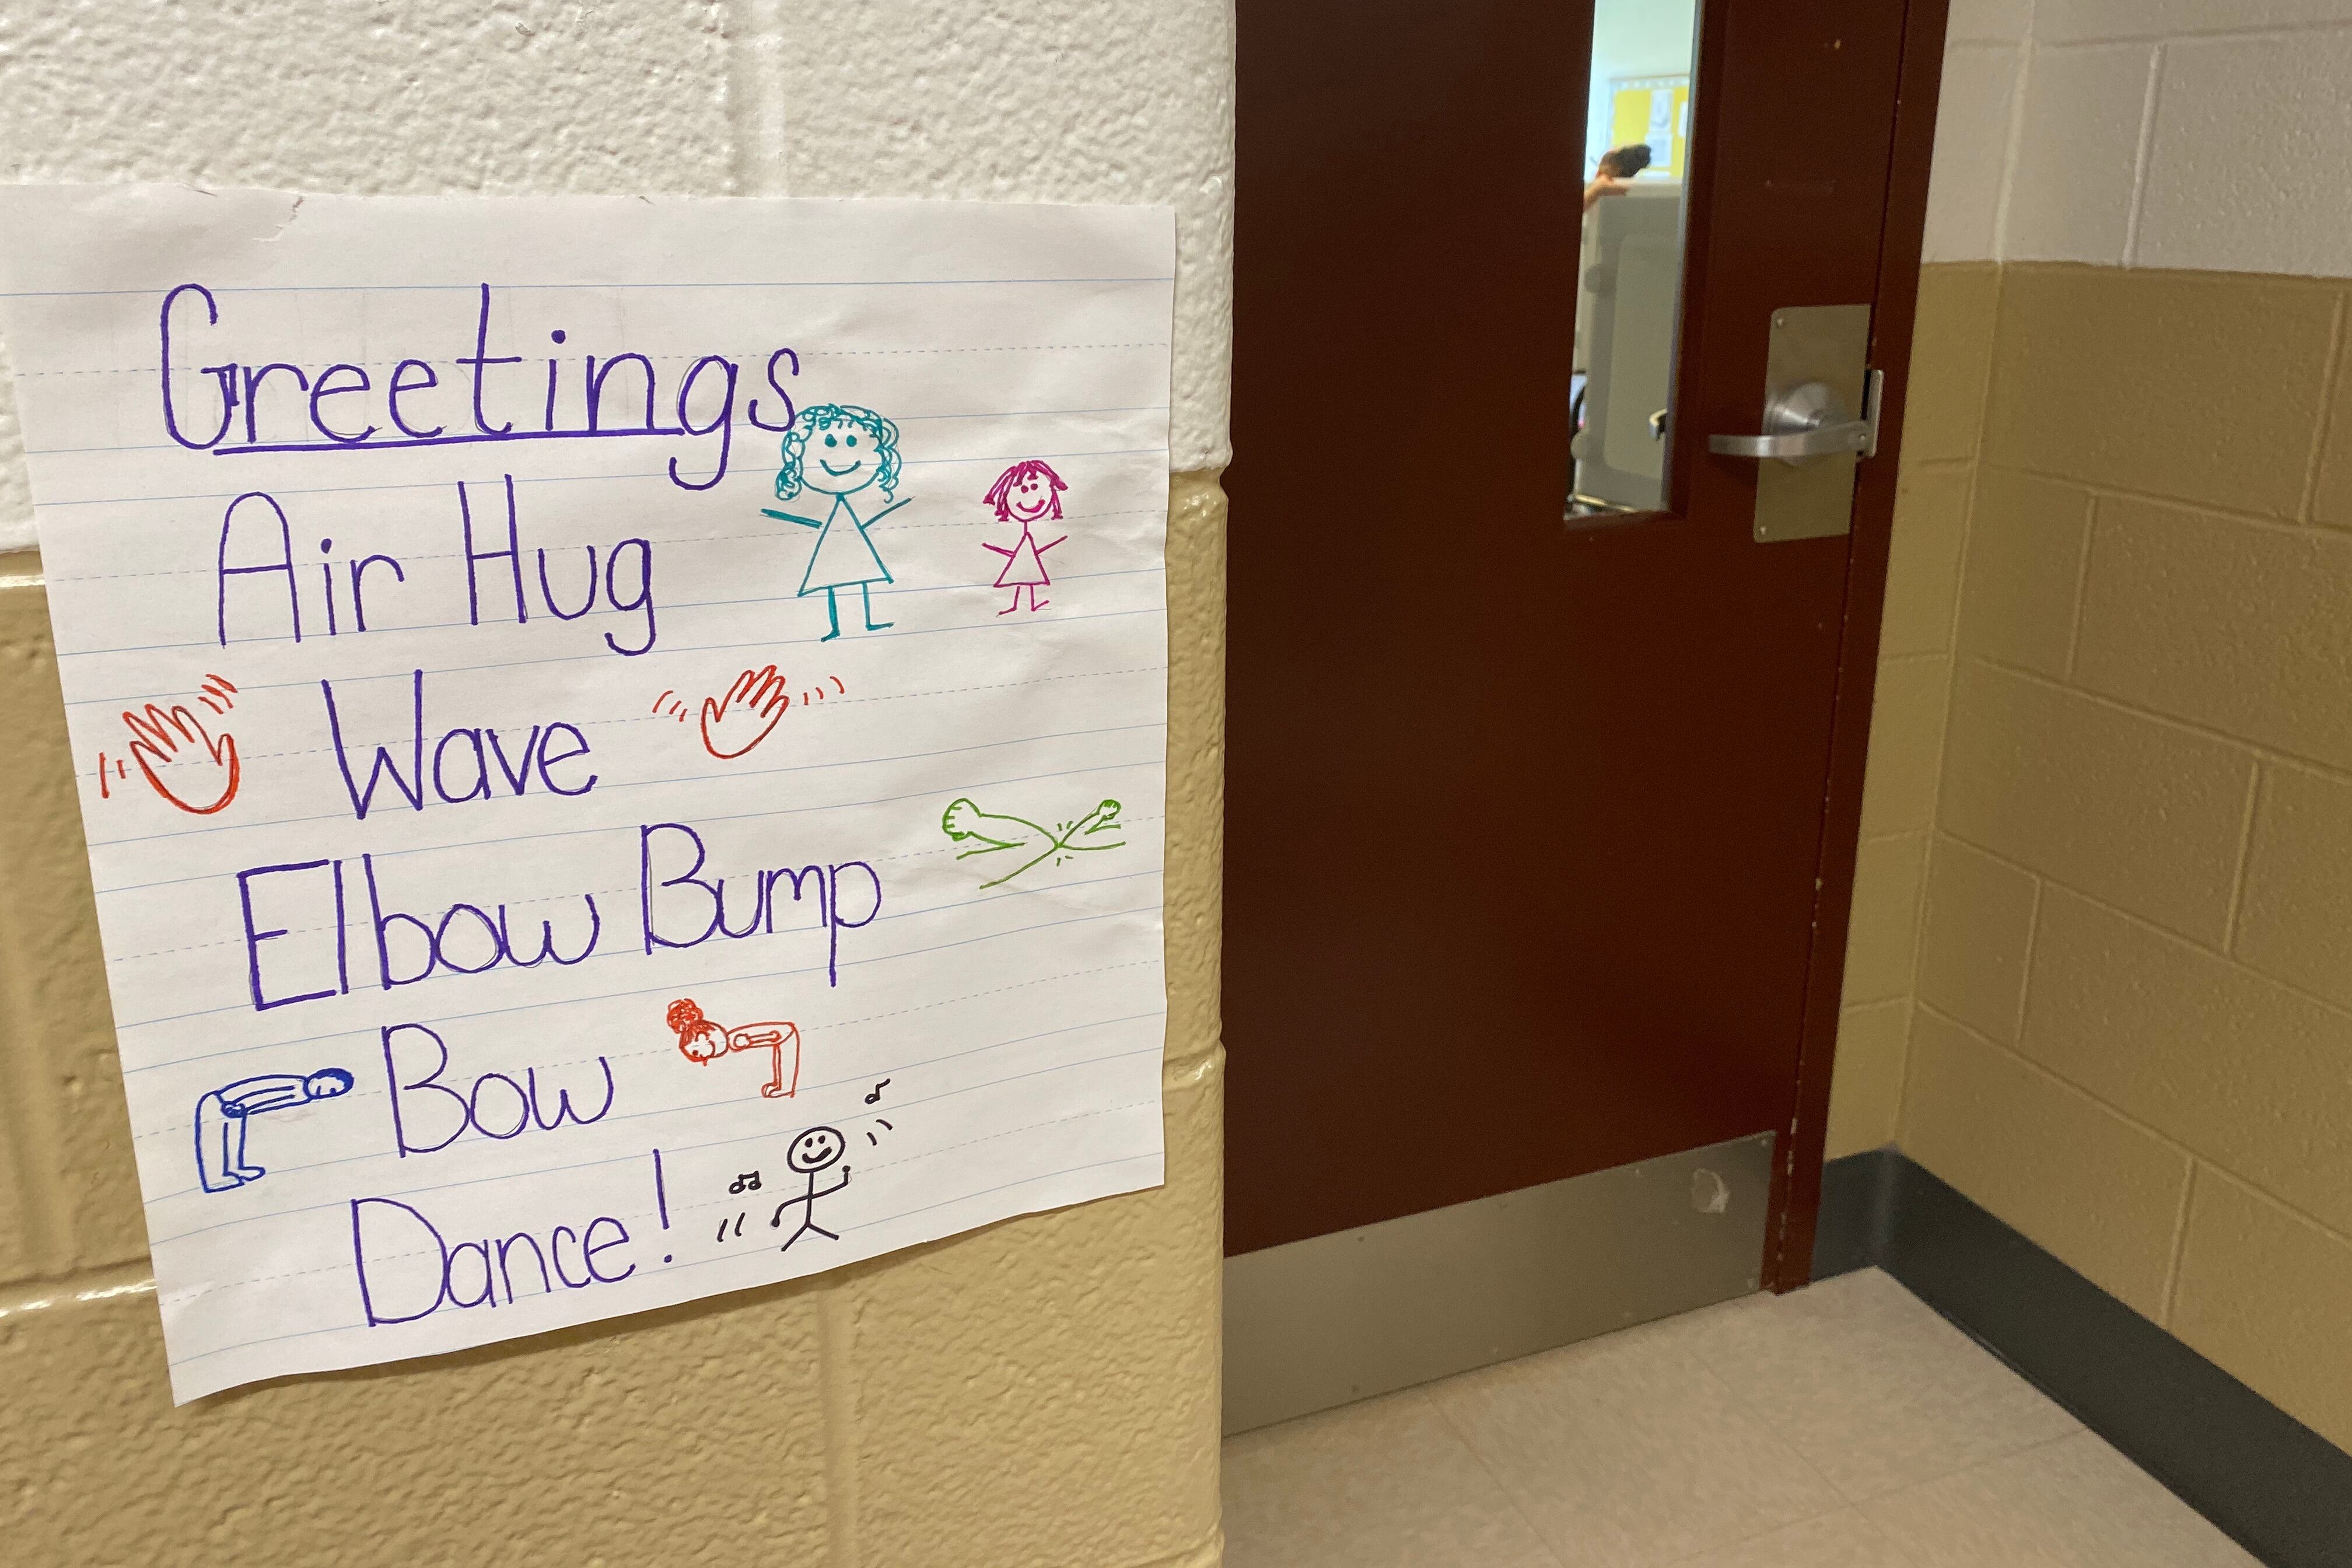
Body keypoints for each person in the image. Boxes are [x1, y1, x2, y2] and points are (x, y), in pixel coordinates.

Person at [762, 404, 911, 642]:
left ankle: (867, 621)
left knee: (862, 577)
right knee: (833, 582)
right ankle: (836, 626)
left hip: (852, 542)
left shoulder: (851, 503)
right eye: (830, 443)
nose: (842, 455)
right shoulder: (831, 503)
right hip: (834, 544)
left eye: (853, 442)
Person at [194, 1068, 354, 1193]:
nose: (326, 1093)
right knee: (214, 1144)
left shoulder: (304, 1096)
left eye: (333, 1093)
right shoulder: (295, 1085)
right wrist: (234, 1103)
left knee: (233, 1142)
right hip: (221, 1103)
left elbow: (267, 1104)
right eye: (330, 1087)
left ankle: (235, 1169)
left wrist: (242, 1109)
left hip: (237, 1110)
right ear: (319, 1076)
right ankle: (215, 1180)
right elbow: (258, 1091)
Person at [979, 458, 1070, 614]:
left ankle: (1030, 605)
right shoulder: (1024, 538)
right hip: (1023, 561)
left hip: (1027, 561)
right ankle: (1018, 606)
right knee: (1022, 582)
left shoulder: (1029, 537)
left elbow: (1028, 553)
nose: (1031, 498)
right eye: (1023, 490)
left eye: (1035, 487)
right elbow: (1018, 554)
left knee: (1027, 582)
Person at [1583, 142, 1653, 212]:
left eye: (1600, 169)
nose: (1596, 175)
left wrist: (1596, 190)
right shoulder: (1641, 199)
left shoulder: (1598, 190)